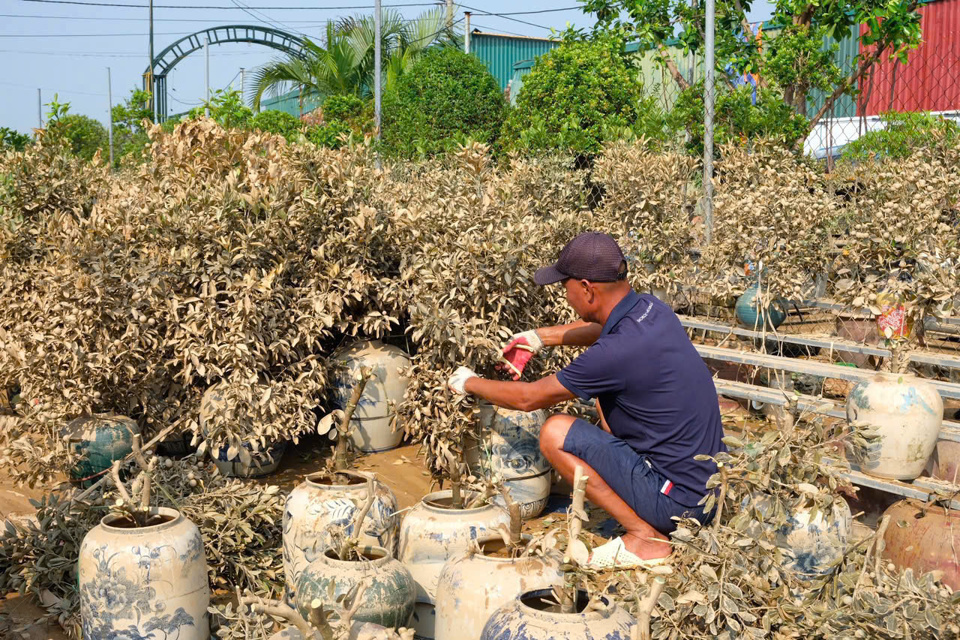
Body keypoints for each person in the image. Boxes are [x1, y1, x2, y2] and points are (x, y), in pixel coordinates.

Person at [447, 232, 725, 569]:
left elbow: (528, 398)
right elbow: (602, 328)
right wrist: (540, 338)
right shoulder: (652, 309)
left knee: (554, 432)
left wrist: (469, 383)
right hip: (707, 489)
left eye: (566, 287)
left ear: (586, 288)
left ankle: (644, 538)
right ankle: (643, 506)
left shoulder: (614, 354)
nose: (565, 296)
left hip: (679, 505)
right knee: (602, 400)